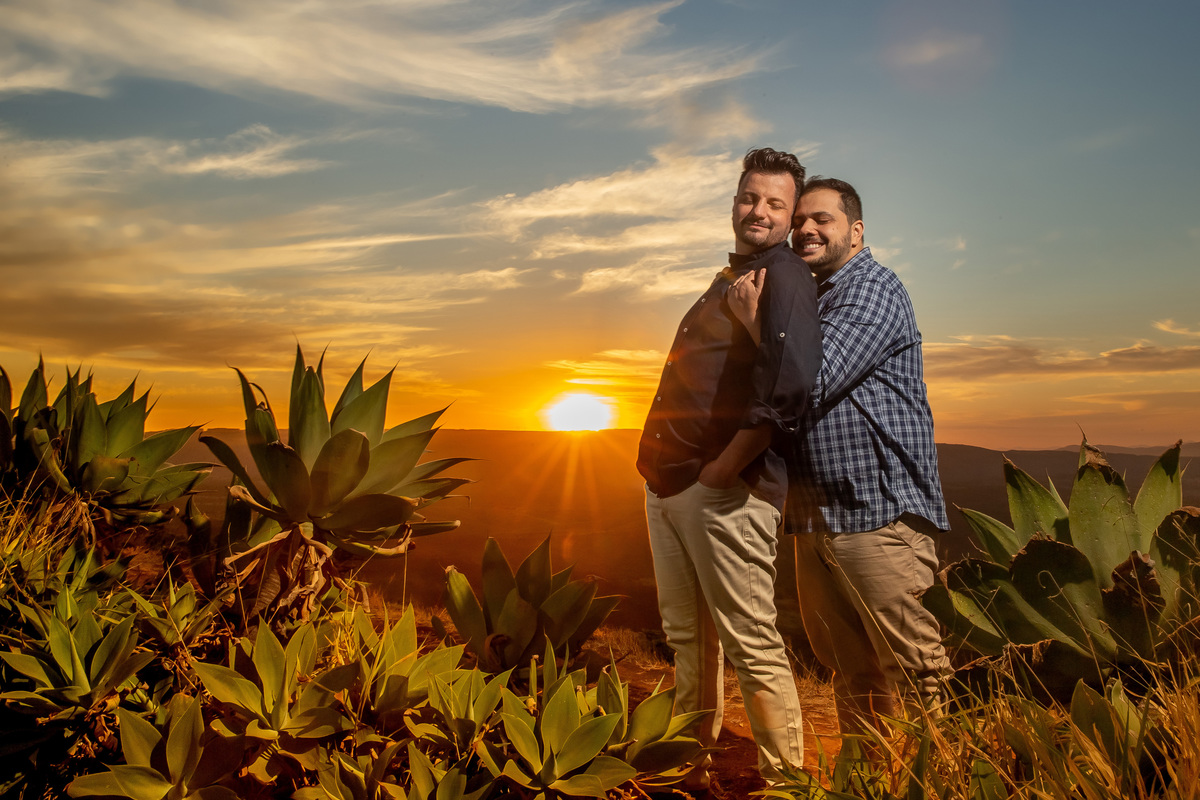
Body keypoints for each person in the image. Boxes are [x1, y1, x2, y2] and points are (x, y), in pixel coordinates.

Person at [729, 177, 950, 737]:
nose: (806, 229)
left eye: (821, 219)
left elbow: (810, 383)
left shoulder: (871, 288)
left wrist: (755, 324)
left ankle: (943, 778)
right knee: (853, 674)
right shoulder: (814, 297)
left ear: (855, 230)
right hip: (818, 519)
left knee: (915, 672)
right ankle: (867, 783)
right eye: (799, 219)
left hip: (878, 516)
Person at [637, 147, 821, 788]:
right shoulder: (732, 276)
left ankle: (789, 781)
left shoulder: (784, 277)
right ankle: (689, 763)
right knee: (689, 636)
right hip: (668, 481)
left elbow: (790, 388)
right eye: (750, 197)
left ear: (792, 215)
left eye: (775, 203)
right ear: (734, 200)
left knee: (751, 644)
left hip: (722, 491)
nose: (758, 211)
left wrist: (723, 469)